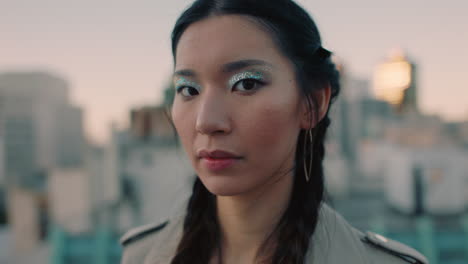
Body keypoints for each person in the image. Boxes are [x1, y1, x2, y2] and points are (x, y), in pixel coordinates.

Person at [120, 0, 428, 263]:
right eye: (188, 89)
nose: (206, 121)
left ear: (312, 104)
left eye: (246, 84)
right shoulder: (139, 254)